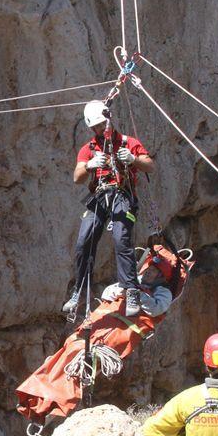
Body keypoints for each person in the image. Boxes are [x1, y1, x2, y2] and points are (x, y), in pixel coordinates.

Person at [63, 99, 155, 319]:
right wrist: (90, 165)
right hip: (100, 195)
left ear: (109, 120)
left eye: (102, 124)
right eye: (95, 127)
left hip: (122, 194)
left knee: (121, 238)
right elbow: (77, 177)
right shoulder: (89, 150)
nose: (100, 129)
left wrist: (133, 160)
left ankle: (131, 289)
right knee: (84, 240)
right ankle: (79, 290)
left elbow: (149, 165)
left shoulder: (128, 143)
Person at [98, 250, 172, 317]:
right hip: (110, 317)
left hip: (129, 326)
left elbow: (156, 310)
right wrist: (120, 292)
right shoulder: (136, 280)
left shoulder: (164, 292)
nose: (148, 271)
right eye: (148, 268)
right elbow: (106, 293)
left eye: (153, 270)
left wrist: (133, 294)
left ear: (161, 278)